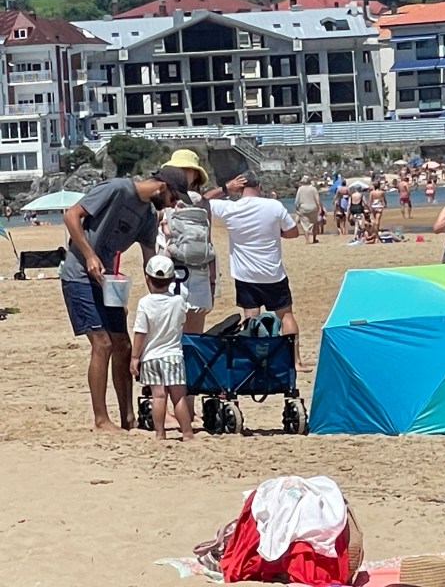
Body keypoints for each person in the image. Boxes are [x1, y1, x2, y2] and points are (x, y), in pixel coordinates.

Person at [62, 168, 191, 431]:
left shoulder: (148, 216)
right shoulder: (117, 189)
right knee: (103, 344)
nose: (172, 205)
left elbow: (149, 261)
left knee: (123, 345)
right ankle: (101, 419)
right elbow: (71, 215)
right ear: (162, 187)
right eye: (173, 198)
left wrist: (161, 297)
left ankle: (128, 418)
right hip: (79, 275)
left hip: (108, 282)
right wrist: (89, 255)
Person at [206, 171, 310, 372]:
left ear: (239, 188)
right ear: (259, 186)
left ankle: (255, 363)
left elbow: (200, 201)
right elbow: (293, 232)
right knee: (285, 316)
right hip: (272, 272)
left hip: (245, 273)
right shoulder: (274, 206)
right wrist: (275, 232)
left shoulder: (230, 208)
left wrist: (225, 188)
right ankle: (295, 361)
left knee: (251, 319)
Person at [129, 255, 193, 442]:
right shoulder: (179, 301)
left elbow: (141, 332)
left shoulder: (145, 303)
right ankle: (187, 433)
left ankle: (160, 434)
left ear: (147, 278)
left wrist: (135, 357)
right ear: (172, 279)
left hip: (151, 357)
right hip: (173, 355)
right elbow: (182, 321)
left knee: (158, 396)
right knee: (179, 397)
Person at [159, 150, 216, 334]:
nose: (181, 173)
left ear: (196, 175)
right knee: (171, 331)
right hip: (171, 271)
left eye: (186, 169)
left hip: (199, 271)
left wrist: (212, 281)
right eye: (178, 169)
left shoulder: (204, 204)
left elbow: (207, 240)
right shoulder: (162, 201)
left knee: (194, 333)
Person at [293, 176, 322, 245]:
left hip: (303, 208)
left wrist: (296, 208)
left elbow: (297, 201)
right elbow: (317, 200)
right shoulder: (313, 189)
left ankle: (307, 240)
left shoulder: (300, 189)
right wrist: (320, 208)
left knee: (305, 225)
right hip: (313, 208)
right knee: (314, 223)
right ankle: (314, 239)